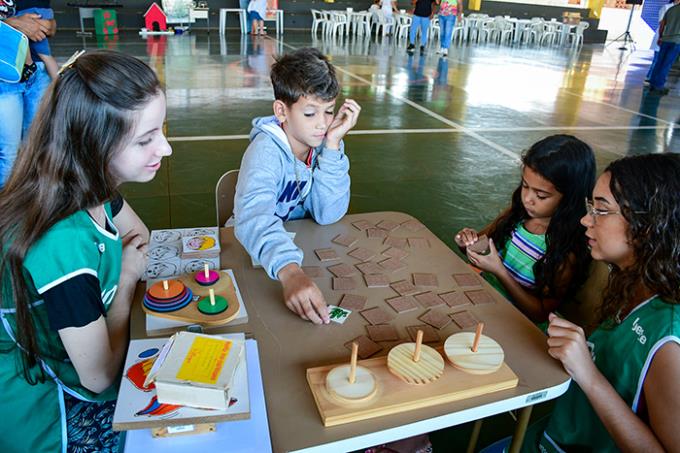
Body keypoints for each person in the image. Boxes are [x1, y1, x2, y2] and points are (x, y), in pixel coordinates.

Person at [0, 50, 172, 452]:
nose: (164, 149)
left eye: (161, 130)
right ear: (95, 142)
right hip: (49, 411)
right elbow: (98, 375)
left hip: (77, 371)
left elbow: (141, 239)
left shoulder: (89, 183)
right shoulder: (62, 241)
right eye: (146, 139)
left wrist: (133, 265)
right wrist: (127, 278)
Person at [529, 153, 680, 451]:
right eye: (591, 206)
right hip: (561, 434)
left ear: (647, 226)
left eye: (601, 209)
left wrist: (588, 374)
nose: (586, 219)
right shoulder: (632, 279)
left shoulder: (669, 345)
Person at [234, 48, 361, 325]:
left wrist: (332, 145)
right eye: (310, 113)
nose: (322, 124)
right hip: (264, 256)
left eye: (329, 111)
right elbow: (254, 216)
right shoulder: (265, 152)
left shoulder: (324, 144)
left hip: (302, 254)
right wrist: (290, 272)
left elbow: (328, 214)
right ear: (281, 110)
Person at [455, 135, 596, 323]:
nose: (527, 198)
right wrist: (466, 242)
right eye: (525, 185)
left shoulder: (565, 251)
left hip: (515, 322)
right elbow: (477, 248)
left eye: (541, 195)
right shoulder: (516, 216)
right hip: (483, 299)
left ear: (570, 198)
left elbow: (539, 314)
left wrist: (500, 271)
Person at [0, 1, 54, 188]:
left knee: (38, 144)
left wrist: (49, 24)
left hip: (32, 72)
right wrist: (13, 23)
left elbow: (40, 17)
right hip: (5, 79)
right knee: (9, 153)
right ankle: (6, 209)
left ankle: (29, 203)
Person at [14, 0, 59, 79]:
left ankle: (57, 82)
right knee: (43, 53)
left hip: (29, 10)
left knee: (44, 54)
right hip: (42, 9)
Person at [648, 1, 680, 95]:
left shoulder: (671, 9)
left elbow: (662, 24)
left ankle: (653, 83)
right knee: (667, 64)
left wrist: (660, 37)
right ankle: (659, 85)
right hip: (677, 41)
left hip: (665, 39)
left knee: (659, 61)